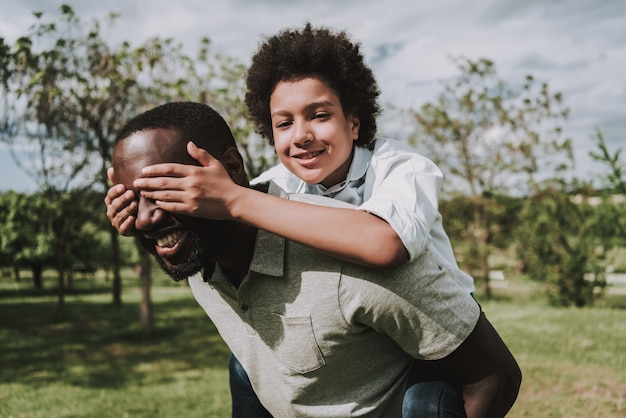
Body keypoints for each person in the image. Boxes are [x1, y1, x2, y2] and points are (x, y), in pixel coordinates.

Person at [106, 101, 521, 417]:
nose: (144, 215)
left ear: (229, 169)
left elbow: (494, 375)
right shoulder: (199, 249)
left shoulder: (354, 252)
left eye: (167, 188)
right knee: (243, 368)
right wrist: (157, 222)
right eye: (131, 197)